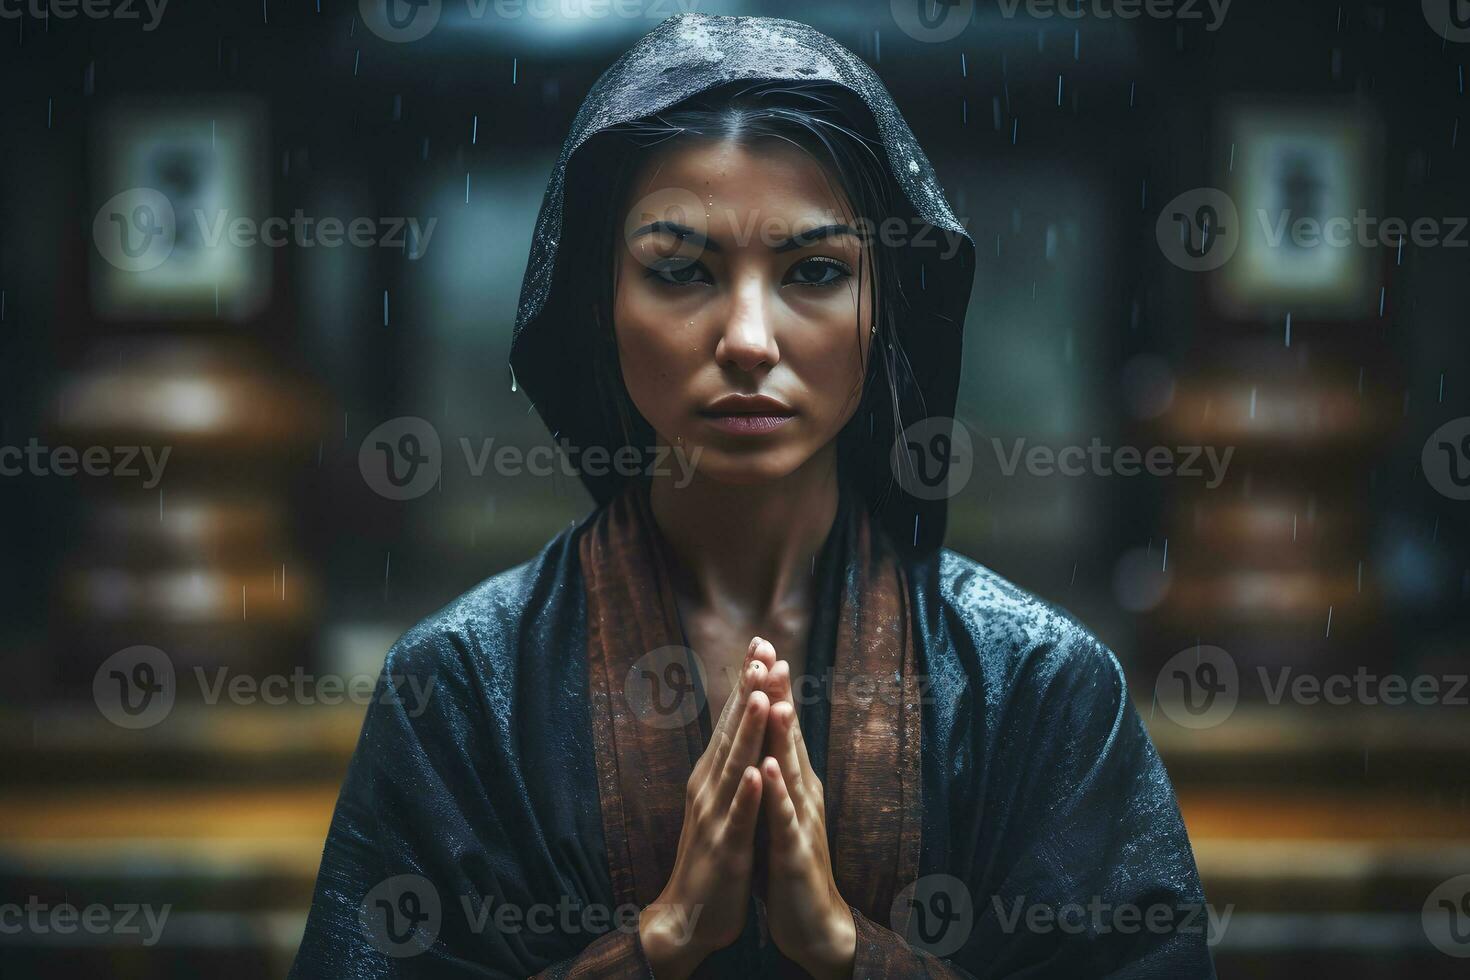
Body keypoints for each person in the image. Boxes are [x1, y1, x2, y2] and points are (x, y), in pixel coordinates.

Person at [290, 13, 1216, 978]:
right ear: (597, 303)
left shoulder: (1039, 689)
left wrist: (851, 950)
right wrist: (664, 940)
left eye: (815, 272)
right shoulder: (462, 692)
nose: (747, 338)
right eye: (680, 271)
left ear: (885, 305)